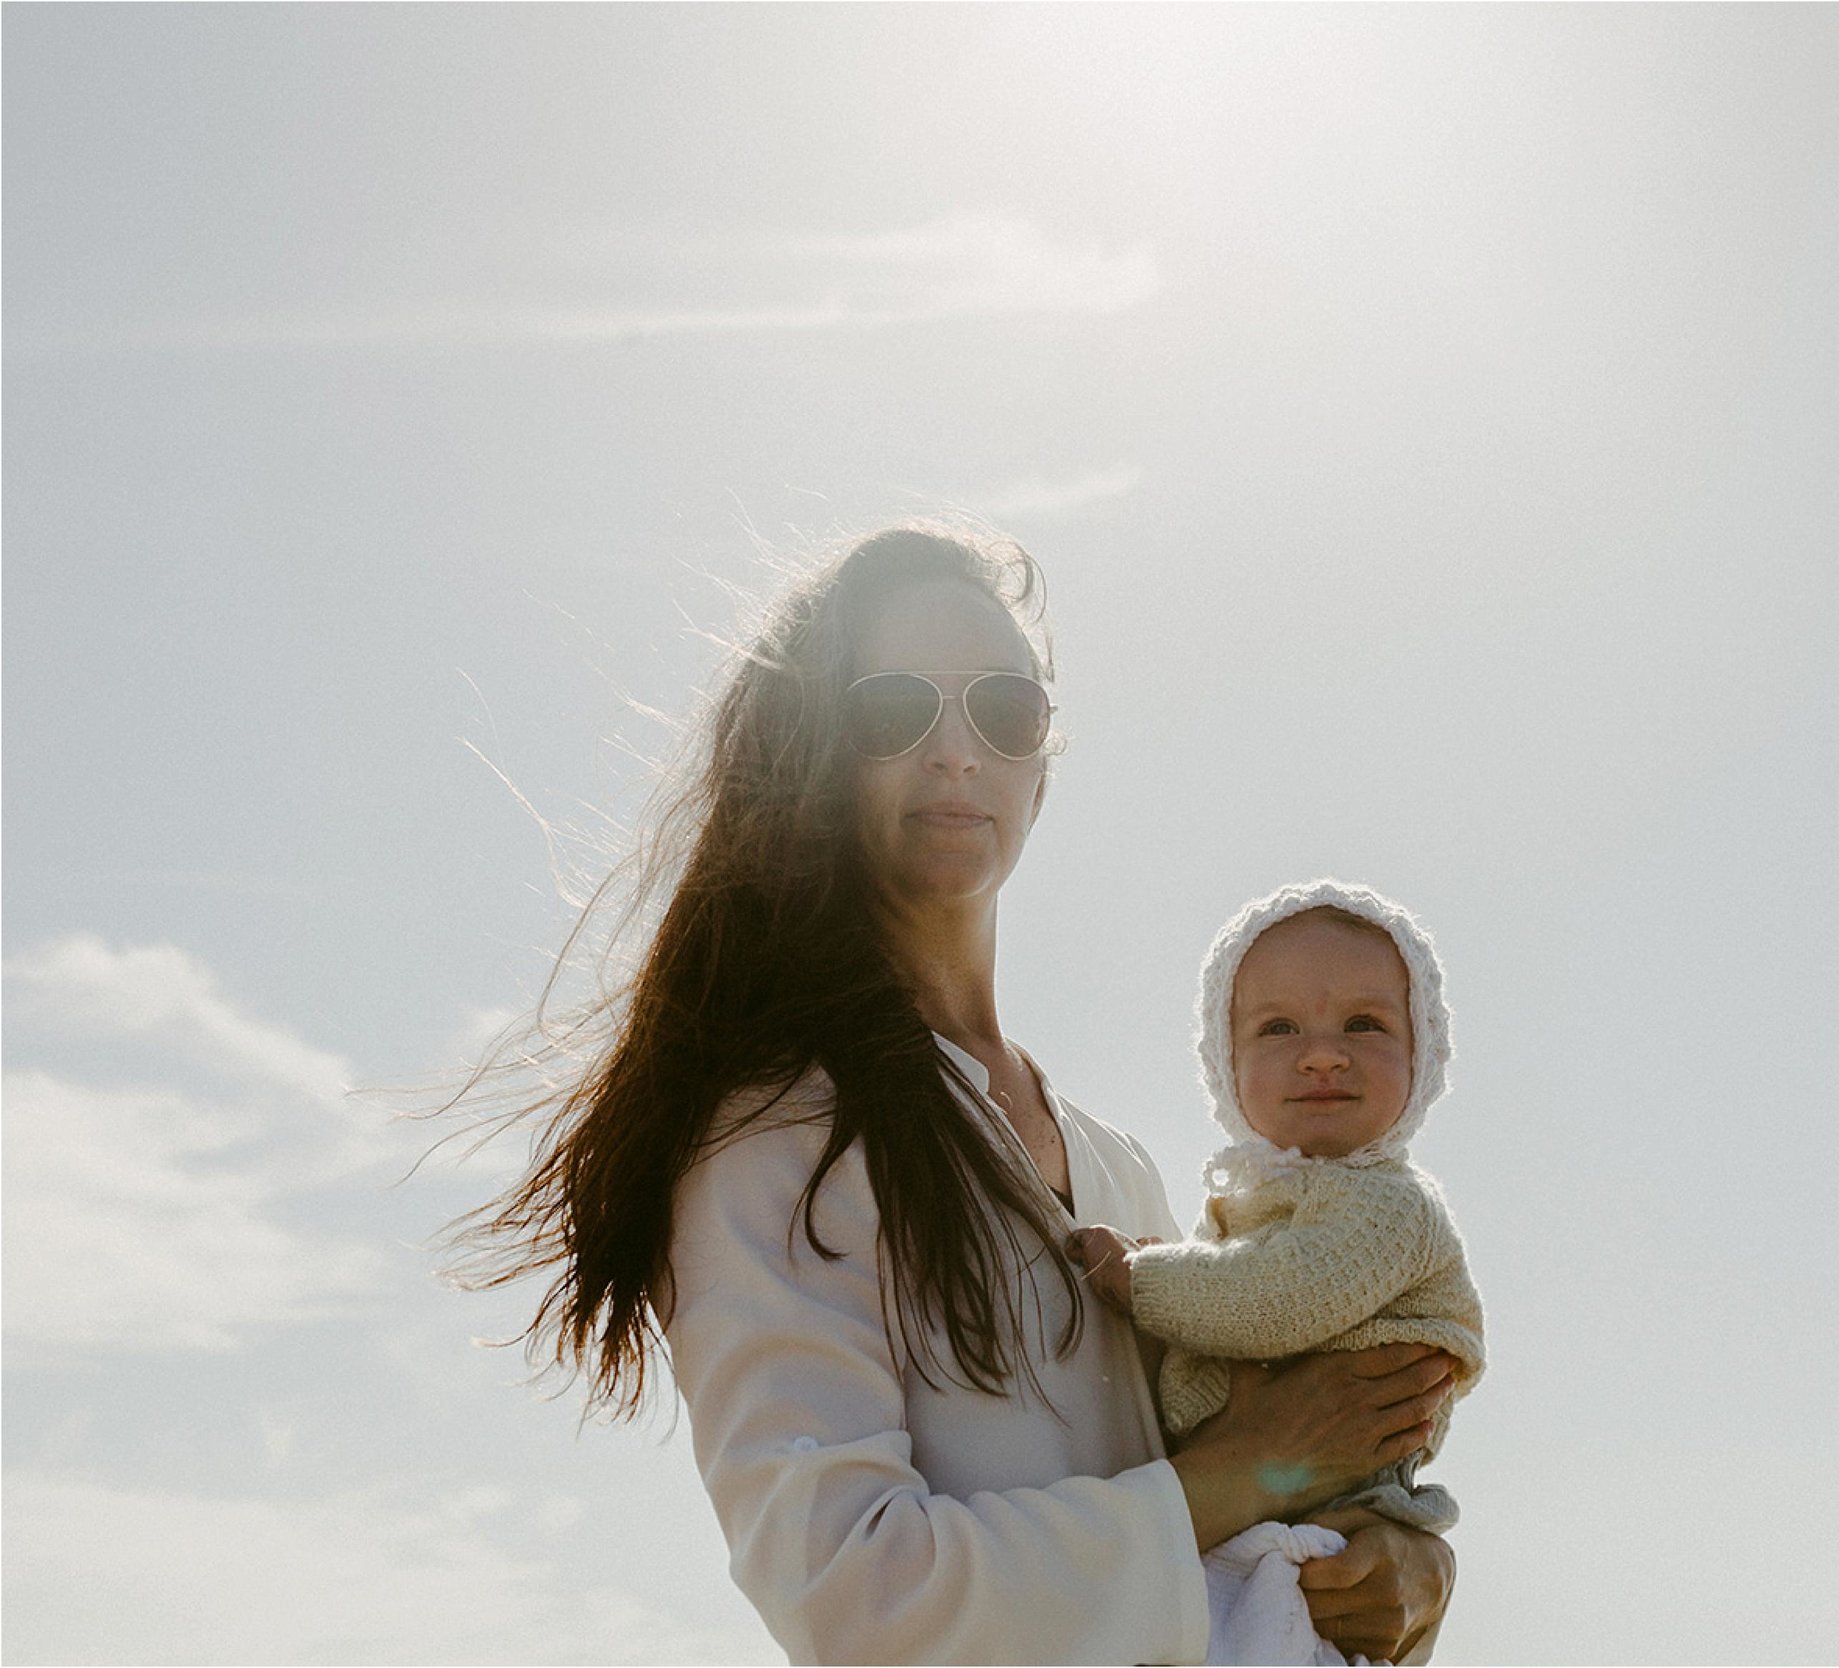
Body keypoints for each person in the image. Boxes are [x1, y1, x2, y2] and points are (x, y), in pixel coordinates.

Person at [456, 522, 1458, 1665]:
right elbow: (854, 1599)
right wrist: (1242, 1474)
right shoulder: (776, 1139)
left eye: (1004, 712)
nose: (954, 752)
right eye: (892, 711)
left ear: (1042, 760)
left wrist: (1406, 1571)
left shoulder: (1116, 1161)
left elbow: (1258, 1512)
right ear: (819, 753)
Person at [1072, 881, 1485, 1665]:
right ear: (1223, 1066)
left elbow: (1278, 1300)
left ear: (1423, 1051)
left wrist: (1139, 1280)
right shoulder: (1259, 1205)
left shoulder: (1390, 1205)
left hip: (1337, 1519)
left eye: (1364, 1024)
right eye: (1278, 1027)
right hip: (1254, 1512)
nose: (1323, 1052)